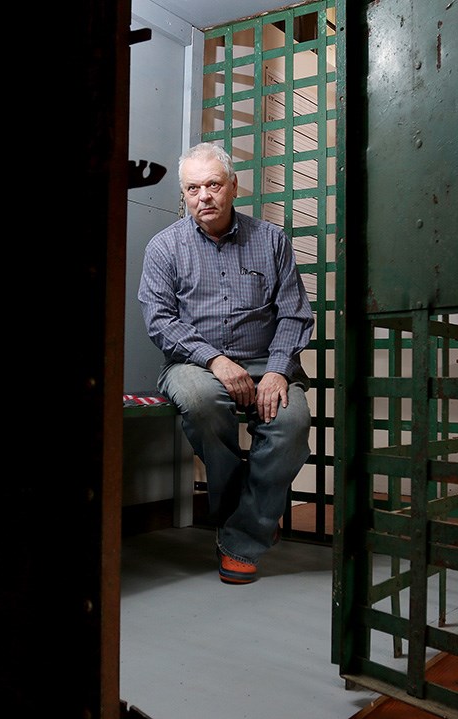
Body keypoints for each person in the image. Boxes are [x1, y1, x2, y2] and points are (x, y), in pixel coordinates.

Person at [138, 142, 314, 584]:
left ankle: (241, 536)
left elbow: (294, 312)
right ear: (183, 195)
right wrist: (214, 360)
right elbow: (159, 319)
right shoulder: (163, 248)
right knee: (200, 401)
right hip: (192, 362)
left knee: (292, 423)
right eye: (193, 188)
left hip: (266, 361)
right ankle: (253, 510)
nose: (204, 196)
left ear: (233, 186)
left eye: (213, 184)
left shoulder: (271, 240)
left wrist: (277, 369)